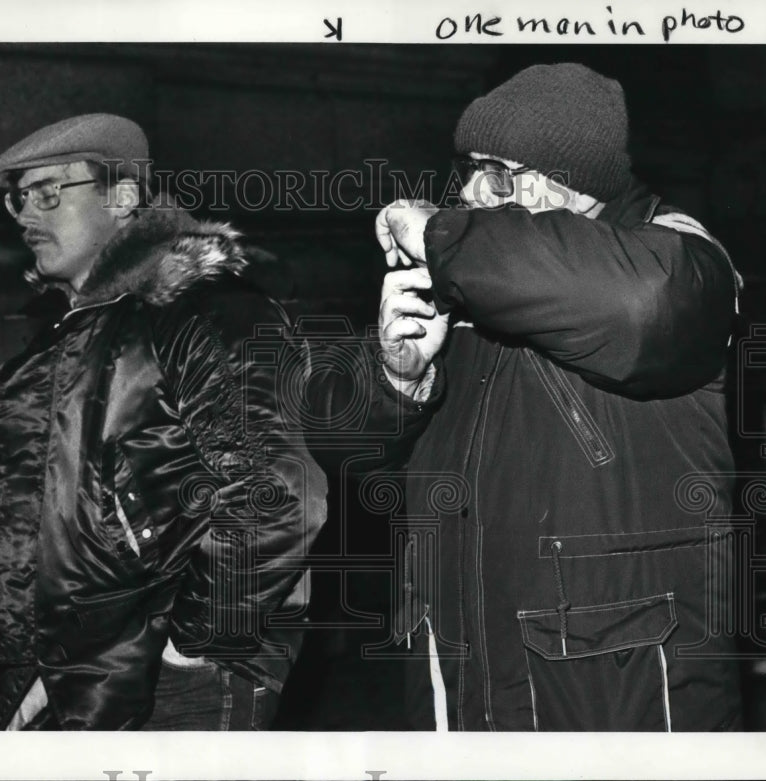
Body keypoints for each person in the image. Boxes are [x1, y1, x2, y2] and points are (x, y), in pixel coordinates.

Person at [314, 63, 744, 730]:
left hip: (613, 699)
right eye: (469, 166)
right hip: (462, 688)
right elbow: (344, 457)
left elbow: (641, 308)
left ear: (572, 180)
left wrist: (438, 234)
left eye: (500, 171)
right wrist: (398, 379)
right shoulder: (474, 278)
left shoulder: (678, 256)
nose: (472, 190)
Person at [0, 113, 326, 730]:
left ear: (124, 196)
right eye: (20, 197)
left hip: (182, 672)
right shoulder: (71, 336)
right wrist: (39, 667)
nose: (29, 213)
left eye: (51, 191)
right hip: (87, 667)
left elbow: (279, 497)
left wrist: (193, 645)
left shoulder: (201, 310)